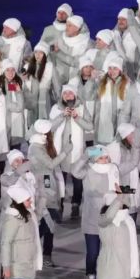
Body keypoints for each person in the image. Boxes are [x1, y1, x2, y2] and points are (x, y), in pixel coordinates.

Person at [72, 145, 126, 279]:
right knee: (93, 253)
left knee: (107, 252)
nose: (104, 160)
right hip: (92, 218)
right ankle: (91, 275)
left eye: (106, 157)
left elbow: (118, 189)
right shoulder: (88, 170)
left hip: (110, 218)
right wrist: (85, 156)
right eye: (101, 157)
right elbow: (75, 171)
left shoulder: (114, 170)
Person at [26, 119, 73, 267]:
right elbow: (51, 164)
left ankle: (46, 253)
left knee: (49, 222)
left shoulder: (43, 145)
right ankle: (31, 250)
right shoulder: (35, 148)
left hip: (49, 186)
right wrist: (66, 151)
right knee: (46, 220)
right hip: (42, 189)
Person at [0, 184, 43, 279]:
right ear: (19, 201)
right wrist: (6, 267)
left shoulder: (29, 215)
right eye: (27, 200)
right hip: (15, 263)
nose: (31, 202)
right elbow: (6, 243)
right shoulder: (12, 219)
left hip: (27, 262)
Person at [50, 84, 93, 220]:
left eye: (70, 93)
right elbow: (50, 127)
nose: (68, 96)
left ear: (75, 95)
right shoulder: (56, 109)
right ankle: (60, 204)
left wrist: (77, 117)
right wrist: (62, 116)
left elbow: (90, 126)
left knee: (77, 180)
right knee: (59, 180)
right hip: (61, 151)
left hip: (77, 150)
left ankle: (75, 204)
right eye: (65, 94)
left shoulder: (81, 108)